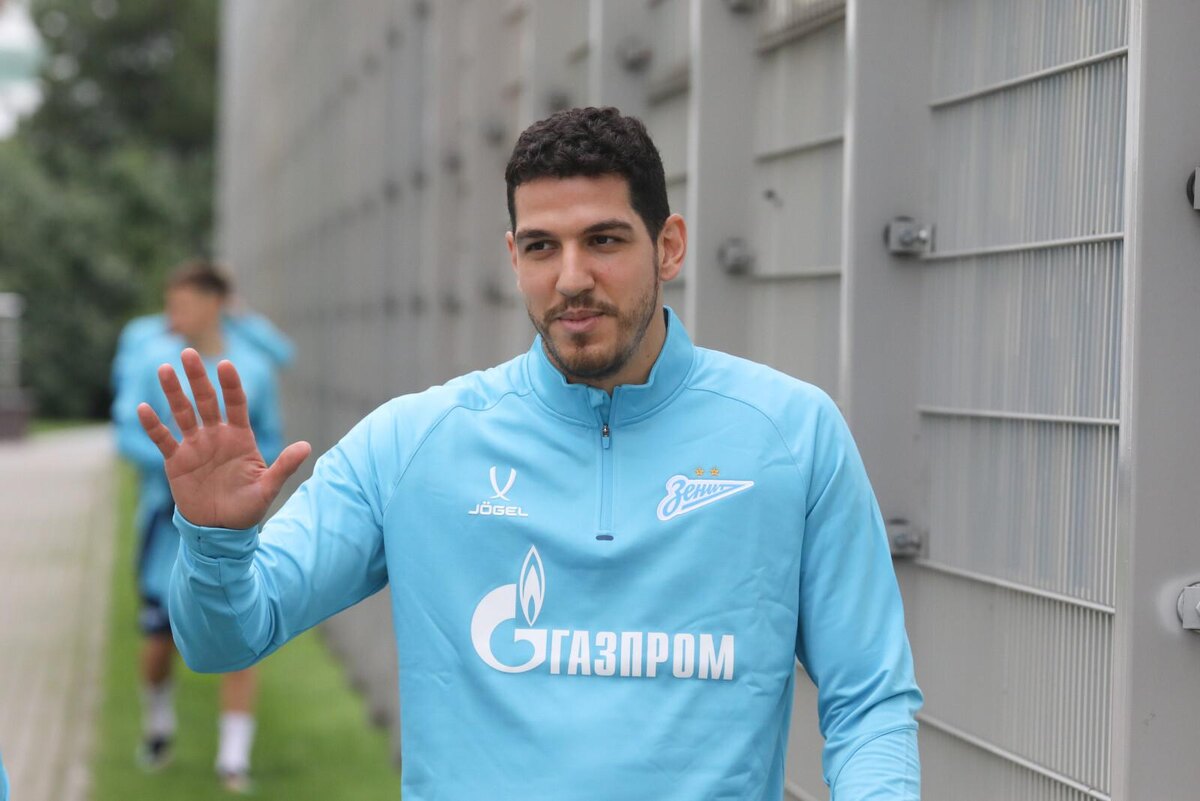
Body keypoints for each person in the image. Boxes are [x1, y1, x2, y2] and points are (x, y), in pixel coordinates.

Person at [137, 107, 922, 799]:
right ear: (514, 257)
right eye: (543, 246)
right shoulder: (412, 444)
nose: (572, 277)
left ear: (670, 246)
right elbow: (224, 638)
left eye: (604, 240)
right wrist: (215, 543)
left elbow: (869, 698)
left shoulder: (792, 434)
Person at [113, 260, 288, 793]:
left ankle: (233, 760)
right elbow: (125, 432)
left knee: (241, 625)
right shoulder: (152, 360)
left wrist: (242, 481)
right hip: (164, 524)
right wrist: (183, 473)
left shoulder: (252, 367)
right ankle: (158, 724)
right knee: (159, 639)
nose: (173, 314)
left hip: (234, 530)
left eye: (184, 303)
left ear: (215, 304)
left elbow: (270, 437)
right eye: (170, 303)